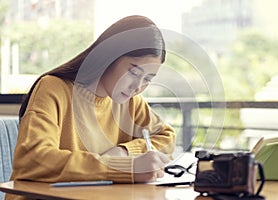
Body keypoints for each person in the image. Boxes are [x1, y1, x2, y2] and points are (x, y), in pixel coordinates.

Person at [6, 15, 175, 200]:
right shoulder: (53, 88)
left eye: (148, 79)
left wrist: (124, 152)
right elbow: (34, 160)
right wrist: (122, 166)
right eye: (134, 72)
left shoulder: (131, 102)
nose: (138, 86)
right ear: (110, 55)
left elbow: (167, 138)